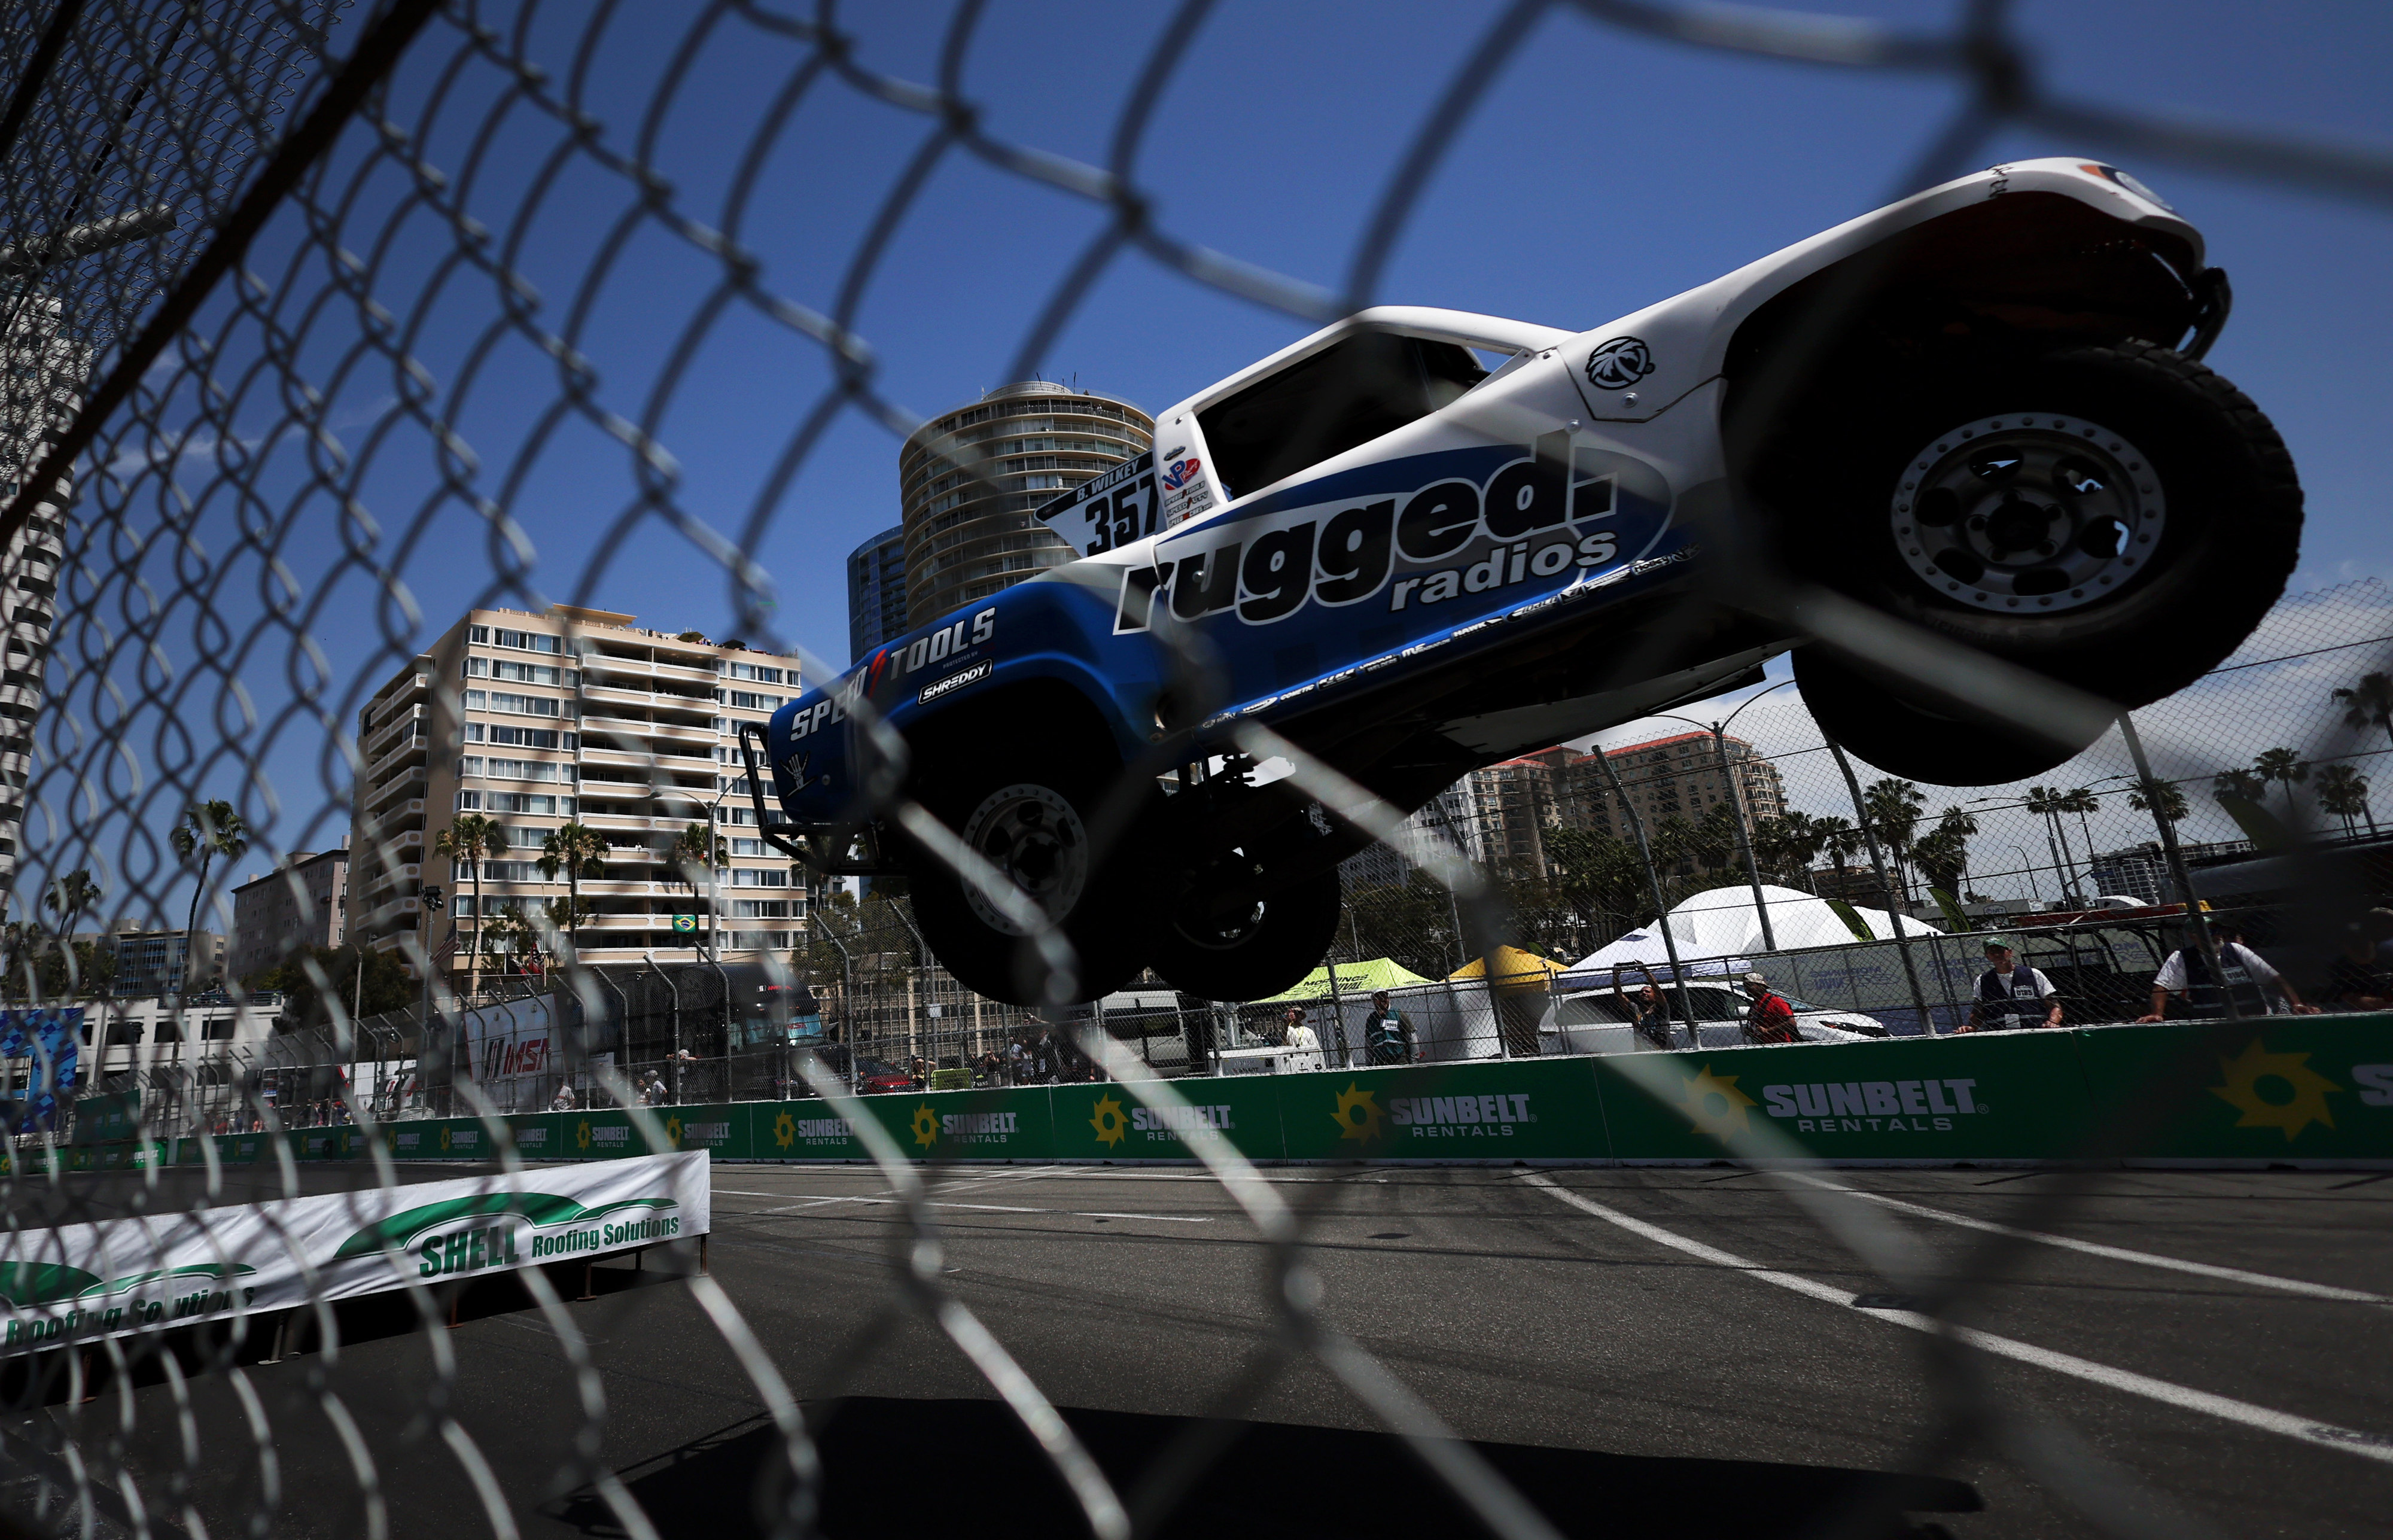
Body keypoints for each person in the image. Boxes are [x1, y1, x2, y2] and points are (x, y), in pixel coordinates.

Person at [2139, 923, 2318, 1021]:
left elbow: (2276, 979)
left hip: (2255, 1020)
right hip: (2214, 1025)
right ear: (2194, 935)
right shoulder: (2182, 957)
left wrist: (2296, 1004)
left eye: (2219, 930)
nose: (2218, 935)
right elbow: (2161, 987)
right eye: (2211, 931)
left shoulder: (2236, 951)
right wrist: (2157, 1014)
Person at [1962, 938, 2063, 1031]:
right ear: (1987, 957)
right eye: (1992, 952)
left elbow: (2054, 1005)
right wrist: (1972, 1027)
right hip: (2000, 1034)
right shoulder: (1983, 980)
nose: (1997, 954)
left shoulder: (2032, 974)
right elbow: (1979, 1012)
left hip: (2034, 1030)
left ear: (2010, 953)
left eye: (2000, 951)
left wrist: (2053, 1022)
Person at [2322, 909, 2393, 1012]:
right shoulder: (2342, 965)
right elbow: (2351, 999)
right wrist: (2385, 1002)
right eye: (2378, 924)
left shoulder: (2387, 953)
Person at [1739, 972, 1798, 1044]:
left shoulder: (1776, 1001)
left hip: (1780, 1045)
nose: (1746, 988)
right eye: (1745, 986)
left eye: (1750, 985)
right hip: (1762, 1045)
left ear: (1761, 986)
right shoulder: (1755, 1005)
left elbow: (1791, 1023)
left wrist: (1768, 1031)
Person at [1362, 992, 1417, 1065]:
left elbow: (1412, 1038)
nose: (1383, 999)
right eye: (1379, 998)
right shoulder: (1371, 1019)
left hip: (1400, 1061)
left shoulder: (1398, 1014)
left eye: (1385, 997)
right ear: (1374, 1001)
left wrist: (1414, 1061)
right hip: (1380, 1063)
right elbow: (1368, 1045)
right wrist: (1369, 1065)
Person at [1625, 982, 1673, 1050]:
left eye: (1647, 992)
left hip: (1663, 1049)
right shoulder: (1637, 1010)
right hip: (1643, 1050)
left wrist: (1647, 973)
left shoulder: (1661, 1010)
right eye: (1641, 992)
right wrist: (1616, 976)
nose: (1644, 993)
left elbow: (1658, 991)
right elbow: (1620, 995)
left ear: (1655, 996)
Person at [1280, 1006, 1326, 1073]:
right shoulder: (1288, 1030)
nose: (1296, 1015)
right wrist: (1288, 1022)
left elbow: (1317, 1049)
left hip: (1310, 1060)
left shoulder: (1309, 1031)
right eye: (1294, 1013)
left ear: (1302, 1016)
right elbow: (1284, 1038)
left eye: (1298, 1013)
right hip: (1292, 1059)